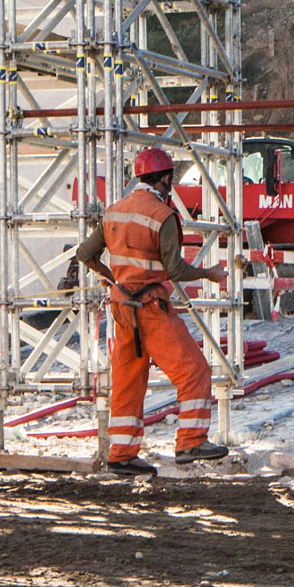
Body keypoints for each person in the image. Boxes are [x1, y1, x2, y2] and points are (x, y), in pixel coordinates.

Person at [73, 146, 232, 476]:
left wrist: (112, 278)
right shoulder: (163, 216)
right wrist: (209, 274)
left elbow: (85, 254)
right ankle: (191, 440)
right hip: (151, 309)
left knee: (128, 381)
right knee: (194, 370)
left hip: (122, 310)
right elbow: (175, 270)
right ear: (165, 178)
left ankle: (121, 453)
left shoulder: (114, 212)